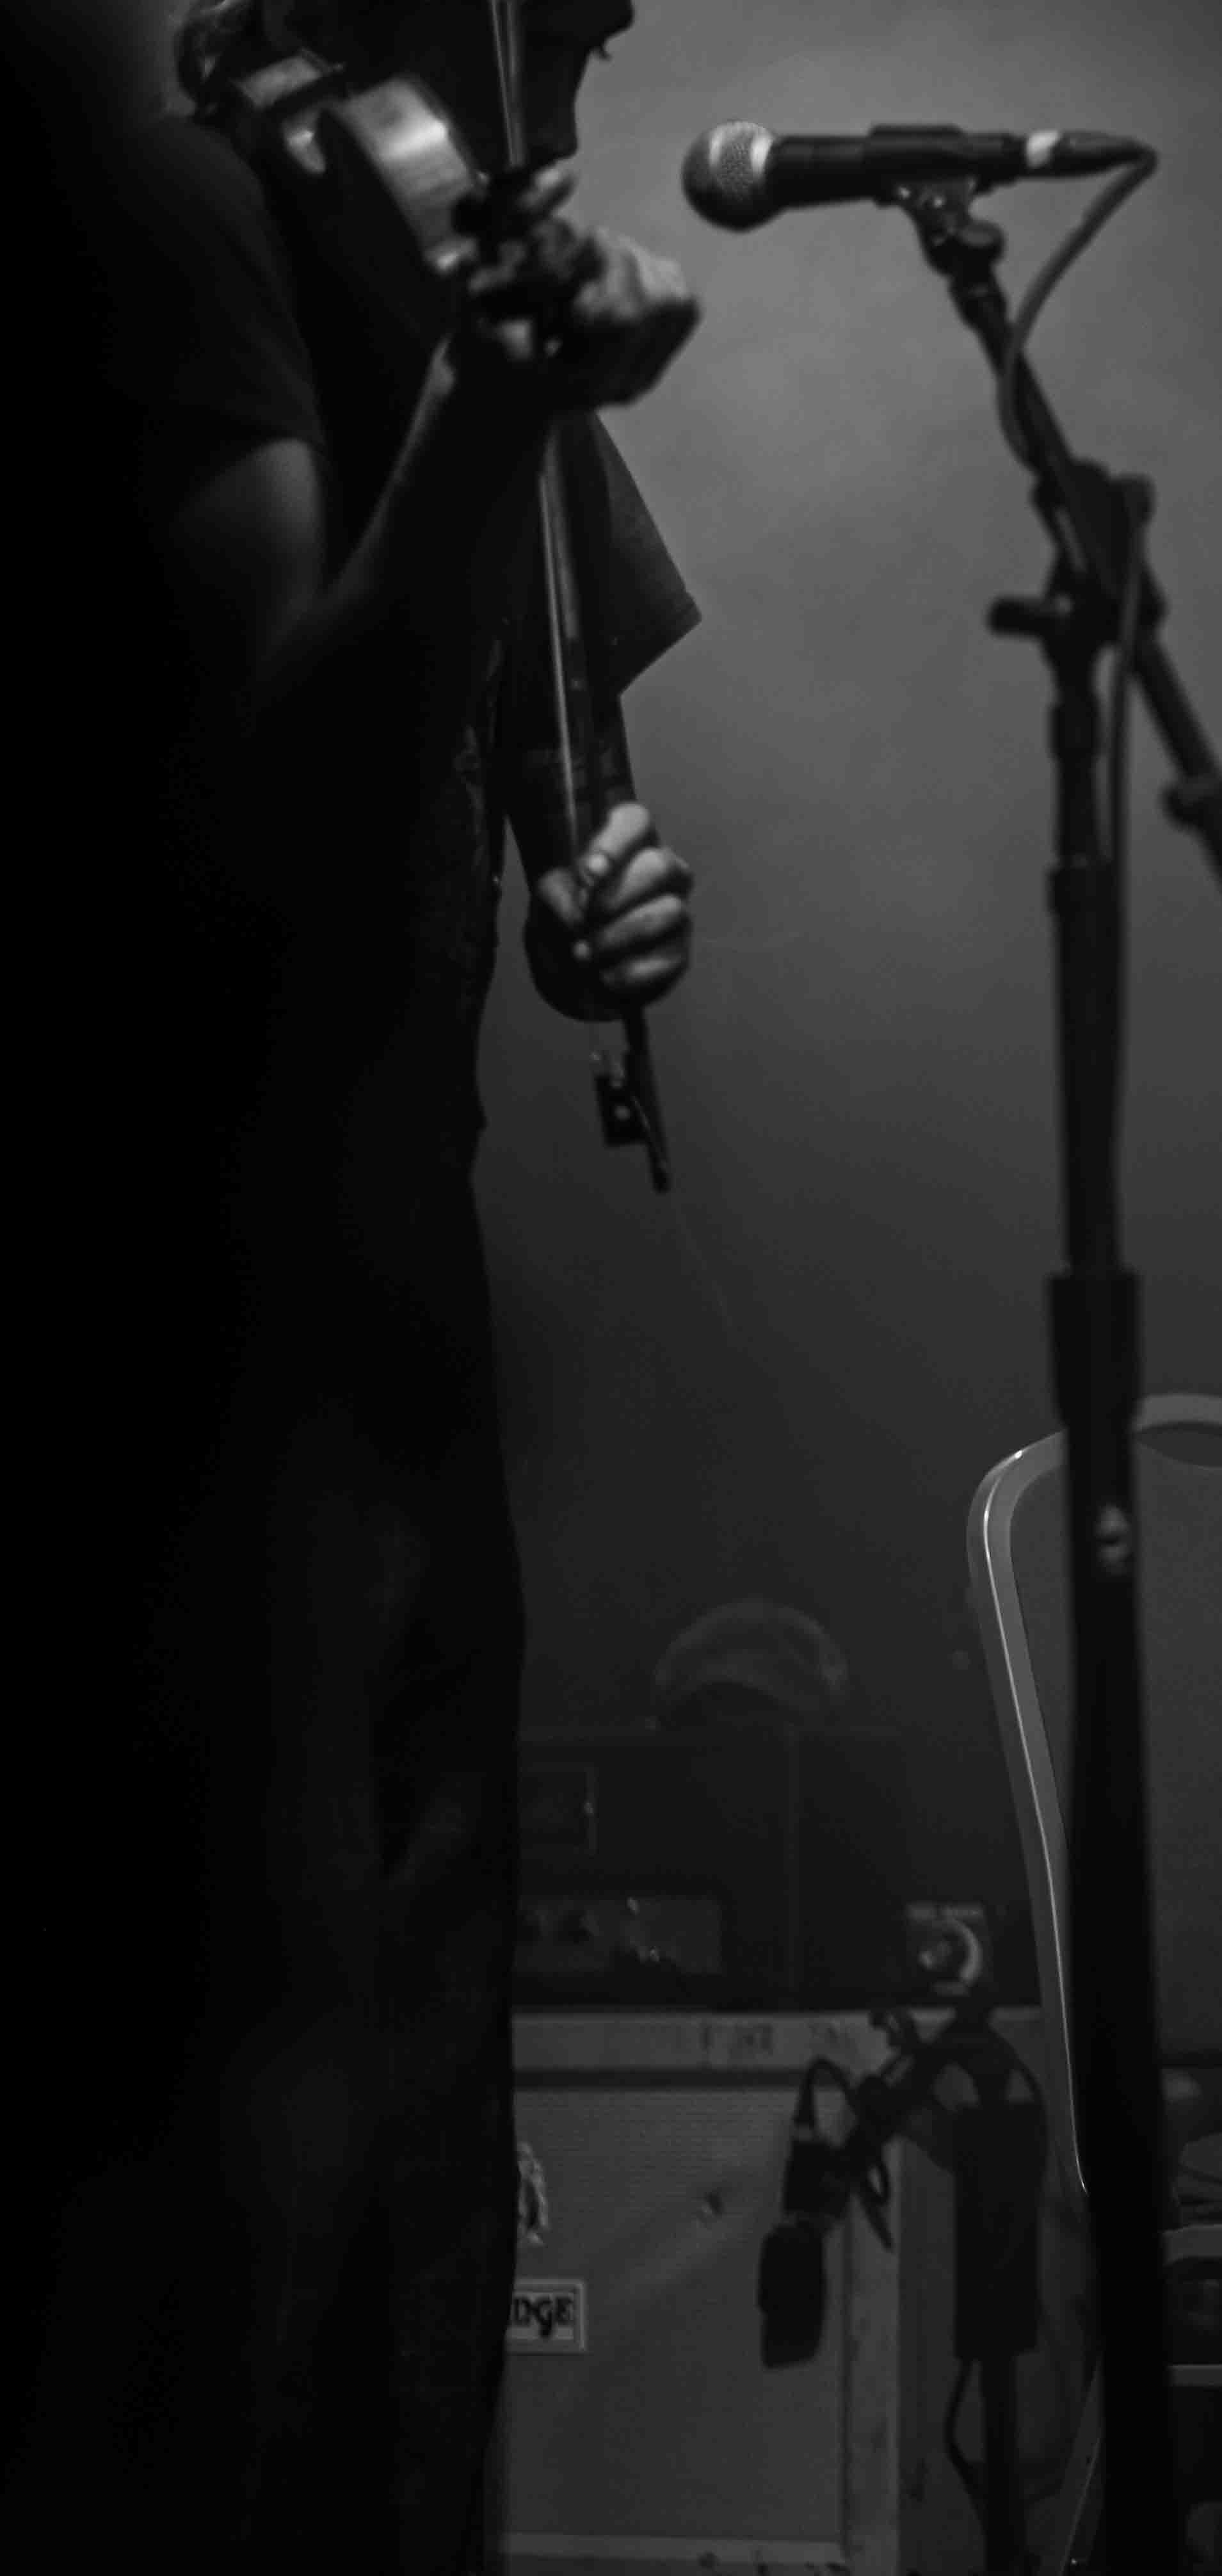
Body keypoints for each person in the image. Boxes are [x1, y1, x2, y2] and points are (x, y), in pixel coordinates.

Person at [3, 3, 701, 2564]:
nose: (563, 58)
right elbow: (264, 833)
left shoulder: (451, 291)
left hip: (398, 1300)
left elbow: (542, 813)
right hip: (189, 1337)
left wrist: (597, 891)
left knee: (410, 2119)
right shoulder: (187, 222)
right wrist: (497, 403)